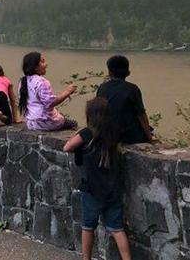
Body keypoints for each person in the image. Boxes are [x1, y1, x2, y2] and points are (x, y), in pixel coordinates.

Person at [63, 98, 132, 260]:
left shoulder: (87, 134)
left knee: (88, 227)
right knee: (117, 229)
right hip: (112, 188)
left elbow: (67, 147)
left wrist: (78, 133)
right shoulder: (114, 132)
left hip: (92, 189)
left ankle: (86, 258)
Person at [96, 55, 154, 144]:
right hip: (127, 137)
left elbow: (97, 113)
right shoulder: (132, 89)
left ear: (110, 72)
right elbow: (141, 115)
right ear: (128, 72)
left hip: (107, 134)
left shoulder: (102, 88)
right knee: (148, 129)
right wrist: (149, 137)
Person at [18, 52, 77, 131]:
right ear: (35, 67)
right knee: (73, 123)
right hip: (45, 123)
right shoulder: (41, 82)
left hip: (31, 123)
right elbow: (50, 103)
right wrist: (67, 92)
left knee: (60, 115)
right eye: (42, 61)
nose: (46, 64)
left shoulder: (23, 81)